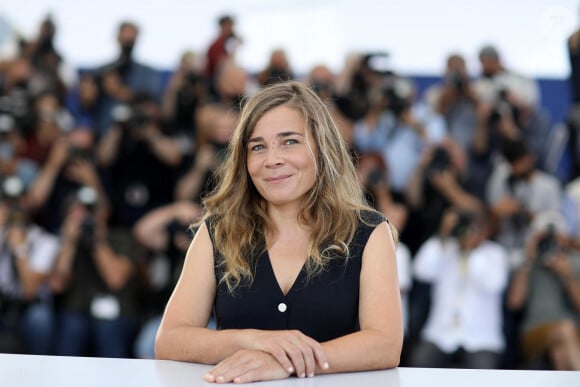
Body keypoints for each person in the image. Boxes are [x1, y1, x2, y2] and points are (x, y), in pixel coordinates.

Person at [155, 81, 403, 383]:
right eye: (258, 147)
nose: (272, 159)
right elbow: (169, 340)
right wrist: (255, 341)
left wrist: (287, 364)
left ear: (321, 148)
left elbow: (385, 345)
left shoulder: (369, 232)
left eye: (290, 142)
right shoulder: (217, 231)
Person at [409, 207, 509, 369]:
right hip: (440, 335)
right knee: (419, 362)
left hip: (481, 339)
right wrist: (442, 235)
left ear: (485, 230)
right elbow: (421, 271)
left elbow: (493, 284)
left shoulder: (494, 254)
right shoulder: (444, 247)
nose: (467, 232)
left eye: (474, 227)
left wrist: (472, 249)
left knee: (484, 373)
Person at [506, 211, 580, 370]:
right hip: (535, 330)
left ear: (564, 237)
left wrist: (567, 276)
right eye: (543, 238)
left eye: (553, 237)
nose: (550, 242)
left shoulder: (575, 262)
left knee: (559, 350)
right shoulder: (528, 266)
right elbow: (514, 302)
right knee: (565, 330)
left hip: (572, 332)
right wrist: (528, 258)